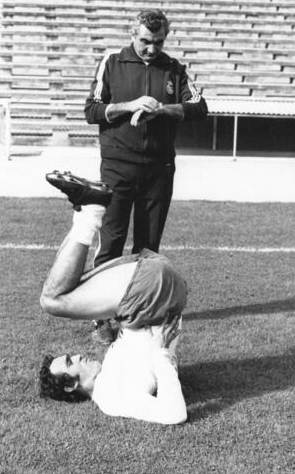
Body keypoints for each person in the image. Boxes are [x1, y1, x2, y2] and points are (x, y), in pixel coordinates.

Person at [84, 8, 208, 343]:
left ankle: (137, 315)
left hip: (159, 169)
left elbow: (200, 107)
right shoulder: (111, 61)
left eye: (157, 41)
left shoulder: (174, 68)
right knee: (110, 244)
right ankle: (101, 318)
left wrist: (163, 109)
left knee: (147, 249)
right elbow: (91, 111)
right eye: (144, 41)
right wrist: (131, 105)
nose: (151, 48)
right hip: (117, 166)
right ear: (132, 34)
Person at [39, 171, 188, 424]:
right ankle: (91, 210)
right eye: (69, 362)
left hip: (150, 288)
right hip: (150, 294)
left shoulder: (109, 374)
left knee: (64, 287)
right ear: (69, 386)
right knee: (51, 301)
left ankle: (85, 208)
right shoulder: (109, 398)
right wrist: (161, 354)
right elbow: (174, 415)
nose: (76, 356)